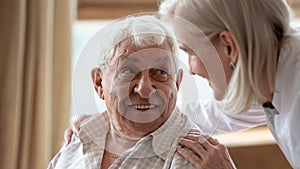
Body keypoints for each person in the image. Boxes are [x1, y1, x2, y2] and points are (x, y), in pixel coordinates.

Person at [66, 0, 300, 168]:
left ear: (229, 46)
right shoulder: (269, 80)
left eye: (191, 52)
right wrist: (116, 117)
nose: (192, 69)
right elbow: (213, 115)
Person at [48, 15, 236, 169]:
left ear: (177, 83)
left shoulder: (192, 159)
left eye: (161, 72)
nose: (145, 89)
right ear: (99, 83)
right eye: (128, 71)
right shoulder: (78, 138)